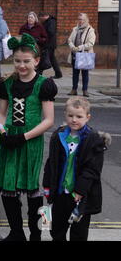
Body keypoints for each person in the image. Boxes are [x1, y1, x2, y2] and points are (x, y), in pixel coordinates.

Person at [0, 33, 57, 241]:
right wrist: (2, 132)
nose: (21, 65)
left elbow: (48, 120)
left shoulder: (43, 84)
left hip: (30, 142)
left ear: (36, 61)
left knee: (32, 189)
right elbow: (1, 113)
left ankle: (36, 234)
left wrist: (23, 137)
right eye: (17, 61)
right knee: (9, 187)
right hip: (9, 140)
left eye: (26, 61)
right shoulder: (7, 84)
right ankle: (16, 232)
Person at [43, 96, 110, 241]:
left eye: (79, 116)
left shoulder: (93, 140)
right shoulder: (58, 136)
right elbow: (51, 163)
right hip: (60, 193)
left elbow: (92, 169)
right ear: (65, 115)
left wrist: (80, 190)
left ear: (88, 117)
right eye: (70, 115)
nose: (74, 120)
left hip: (80, 196)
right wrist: (47, 185)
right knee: (57, 230)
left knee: (79, 232)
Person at [67, 13, 96, 97]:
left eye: (82, 19)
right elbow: (69, 40)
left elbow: (91, 43)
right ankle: (74, 89)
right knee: (75, 73)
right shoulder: (75, 29)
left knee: (85, 73)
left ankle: (85, 90)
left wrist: (79, 47)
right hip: (75, 54)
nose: (80, 21)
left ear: (86, 20)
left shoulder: (90, 30)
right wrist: (72, 47)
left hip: (84, 54)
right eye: (79, 19)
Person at [39, 12, 62, 79]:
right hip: (49, 43)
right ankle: (58, 74)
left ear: (45, 16)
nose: (41, 20)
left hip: (49, 44)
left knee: (44, 59)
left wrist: (44, 35)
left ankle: (39, 73)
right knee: (52, 59)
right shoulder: (47, 21)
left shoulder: (51, 21)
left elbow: (51, 32)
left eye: (41, 19)